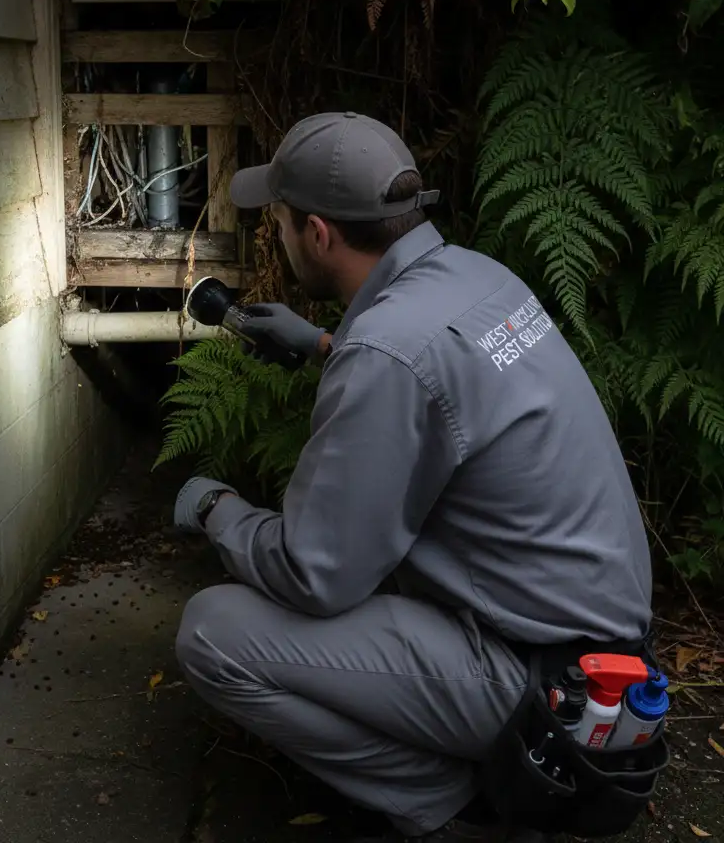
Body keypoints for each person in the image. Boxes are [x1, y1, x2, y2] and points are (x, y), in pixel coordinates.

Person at [171, 112, 654, 843]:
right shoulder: (476, 275)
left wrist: (215, 509)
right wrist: (328, 345)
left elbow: (315, 574)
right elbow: (444, 385)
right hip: (601, 654)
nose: (277, 233)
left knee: (213, 633)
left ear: (320, 234)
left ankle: (459, 810)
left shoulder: (390, 353)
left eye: (280, 220)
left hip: (545, 693)